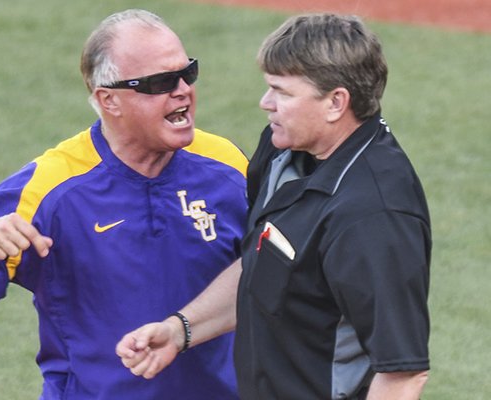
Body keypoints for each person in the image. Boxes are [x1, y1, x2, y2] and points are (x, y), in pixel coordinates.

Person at [0, 9, 247, 399]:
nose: (182, 89)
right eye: (161, 81)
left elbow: (269, 271)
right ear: (109, 100)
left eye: (188, 73)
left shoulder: (229, 165)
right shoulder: (52, 187)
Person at [116, 13, 431, 400]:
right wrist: (180, 329)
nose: (266, 104)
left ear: (336, 102)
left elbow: (402, 374)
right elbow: (264, 261)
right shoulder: (285, 148)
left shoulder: (373, 216)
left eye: (282, 91)